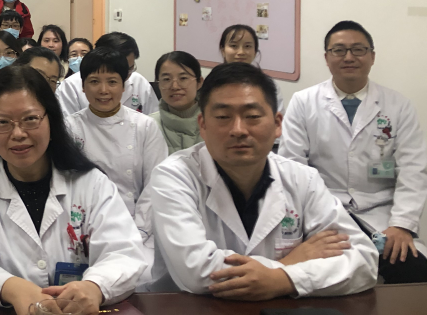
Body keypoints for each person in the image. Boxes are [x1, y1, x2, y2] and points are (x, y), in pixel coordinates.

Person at [148, 63, 379, 298]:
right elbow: (196, 272)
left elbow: (363, 260)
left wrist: (282, 279)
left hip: (284, 313)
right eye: (223, 117)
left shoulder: (302, 178)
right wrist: (289, 264)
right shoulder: (174, 176)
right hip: (188, 312)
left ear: (278, 124)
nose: (238, 130)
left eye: (252, 116)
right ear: (203, 125)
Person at [0, 66, 147, 315]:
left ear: (52, 120)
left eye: (30, 119)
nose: (18, 133)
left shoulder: (91, 183)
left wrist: (95, 286)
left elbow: (124, 252)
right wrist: (10, 288)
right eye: (2, 122)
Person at [280, 20, 427, 283]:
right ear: (327, 58)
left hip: (381, 216)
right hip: (323, 213)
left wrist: (402, 224)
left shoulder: (398, 105)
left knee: (415, 271)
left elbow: (413, 170)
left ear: (372, 56)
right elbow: (292, 168)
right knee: (325, 277)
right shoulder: (303, 103)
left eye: (358, 49)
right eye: (339, 50)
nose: (349, 57)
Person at [65, 49, 166, 249]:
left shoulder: (145, 126)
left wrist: (138, 232)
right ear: (83, 86)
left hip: (137, 227)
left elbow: (155, 185)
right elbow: (66, 185)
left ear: (124, 86)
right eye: (94, 81)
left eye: (112, 82)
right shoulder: (70, 128)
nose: (103, 90)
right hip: (83, 229)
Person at [57, 32, 159, 117]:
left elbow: (153, 118)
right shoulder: (70, 86)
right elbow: (67, 126)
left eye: (129, 69)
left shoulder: (140, 82)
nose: (124, 75)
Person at [218, 25, 285, 113]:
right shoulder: (213, 82)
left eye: (247, 46)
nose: (241, 52)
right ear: (223, 50)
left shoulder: (268, 85)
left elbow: (277, 116)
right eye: (234, 46)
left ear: (255, 51)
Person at [150, 51, 204, 154]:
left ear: (199, 82)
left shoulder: (214, 123)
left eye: (183, 78)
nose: (175, 87)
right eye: (166, 79)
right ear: (158, 84)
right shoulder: (149, 126)